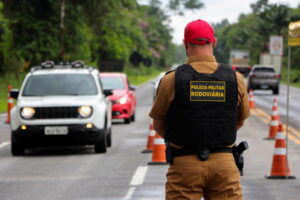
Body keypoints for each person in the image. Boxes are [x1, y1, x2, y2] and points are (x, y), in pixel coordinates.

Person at [149, 19, 249, 200]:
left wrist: (184, 136)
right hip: (224, 165)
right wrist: (216, 134)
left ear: (185, 44)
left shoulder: (171, 80)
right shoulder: (235, 79)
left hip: (184, 164)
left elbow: (158, 124)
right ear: (214, 42)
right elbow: (240, 119)